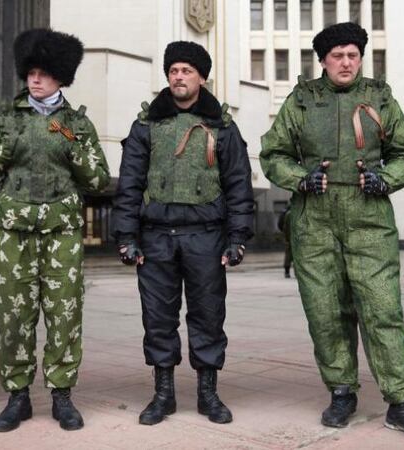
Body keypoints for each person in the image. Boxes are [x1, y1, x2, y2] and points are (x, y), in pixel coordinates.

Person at [259, 22, 404, 442]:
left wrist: (386, 177)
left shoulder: (379, 97)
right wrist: (300, 177)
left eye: (353, 55)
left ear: (361, 58)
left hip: (369, 218)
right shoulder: (303, 99)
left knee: (383, 310)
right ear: (322, 60)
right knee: (325, 312)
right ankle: (342, 391)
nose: (346, 62)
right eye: (338, 55)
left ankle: (401, 402)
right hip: (315, 220)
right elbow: (273, 152)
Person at [0, 28, 110, 432]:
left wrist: (75, 153)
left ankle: (62, 395)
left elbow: (99, 180)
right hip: (14, 234)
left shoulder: (77, 123)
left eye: (44, 73)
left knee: (64, 315)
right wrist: (1, 152)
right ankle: (17, 396)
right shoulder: (6, 119)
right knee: (14, 316)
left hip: (61, 233)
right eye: (30, 71)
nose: (35, 79)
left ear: (61, 77)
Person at [112, 41, 254, 426]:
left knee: (208, 316)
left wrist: (237, 237)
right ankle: (163, 395)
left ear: (201, 78)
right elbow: (129, 184)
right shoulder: (145, 125)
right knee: (158, 318)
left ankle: (208, 394)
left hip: (205, 237)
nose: (179, 76)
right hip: (155, 237)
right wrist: (126, 237)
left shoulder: (223, 126)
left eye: (186, 70)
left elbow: (239, 184)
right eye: (173, 70)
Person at [277, 206, 292, 278]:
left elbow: (283, 227)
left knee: (288, 254)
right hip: (293, 237)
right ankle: (289, 271)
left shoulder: (287, 213)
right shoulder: (291, 214)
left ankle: (287, 271)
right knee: (294, 255)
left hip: (288, 237)